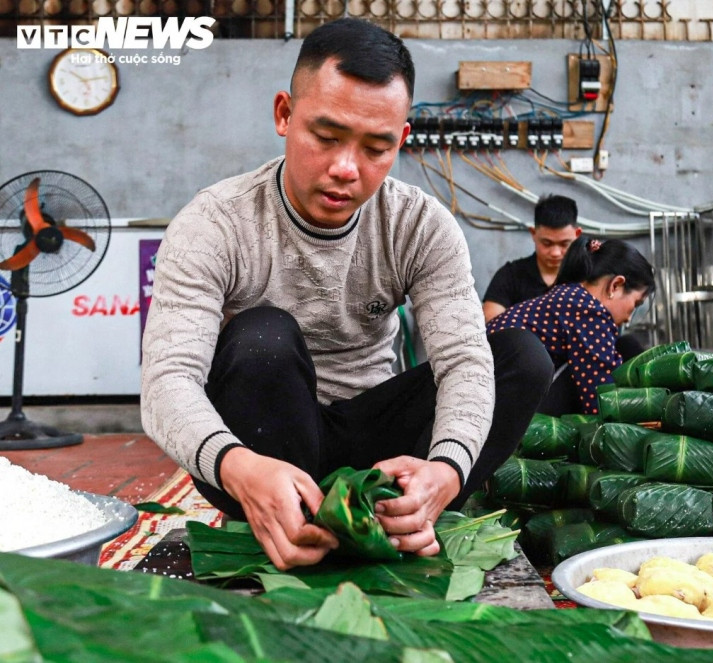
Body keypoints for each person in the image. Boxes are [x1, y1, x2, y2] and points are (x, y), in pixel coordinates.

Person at [140, 18, 551, 571]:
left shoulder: (421, 226)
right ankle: (289, 518)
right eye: (327, 137)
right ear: (284, 114)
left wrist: (447, 472)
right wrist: (238, 466)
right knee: (262, 334)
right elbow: (168, 381)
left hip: (374, 449)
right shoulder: (216, 223)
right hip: (263, 451)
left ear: (401, 141)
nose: (345, 169)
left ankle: (409, 512)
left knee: (520, 357)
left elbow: (463, 363)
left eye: (376, 148)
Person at [486, 236, 655, 416]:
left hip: (493, 395)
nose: (629, 318)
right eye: (635, 304)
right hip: (500, 407)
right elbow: (601, 398)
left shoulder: (570, 296)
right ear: (615, 285)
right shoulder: (590, 312)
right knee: (621, 354)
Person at [482, 194, 580, 323]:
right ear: (533, 234)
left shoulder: (589, 276)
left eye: (564, 244)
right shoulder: (510, 275)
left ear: (577, 234)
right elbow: (491, 321)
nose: (555, 253)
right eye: (547, 243)